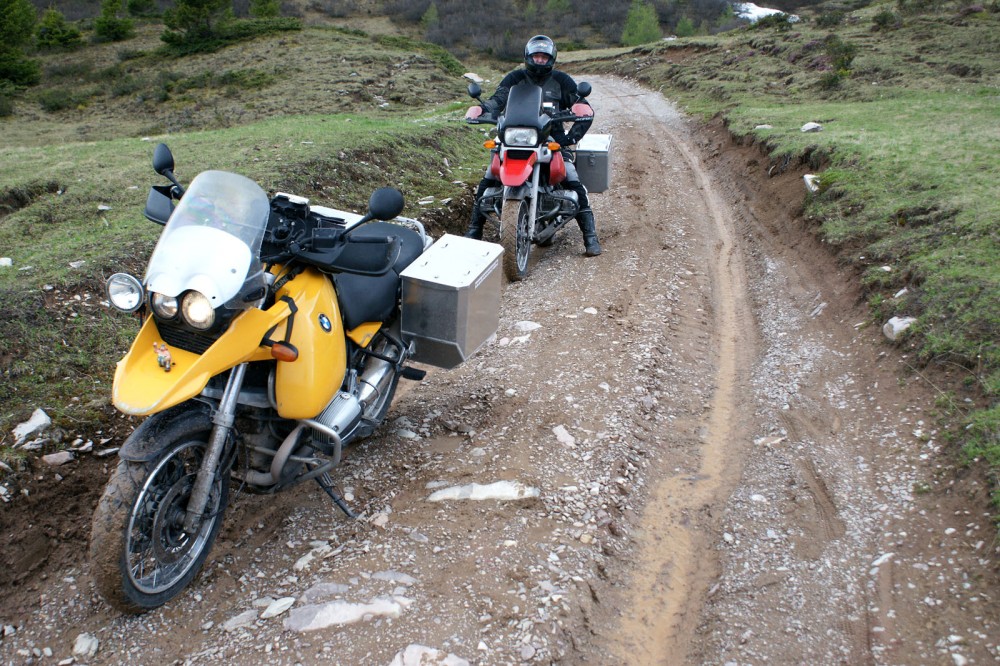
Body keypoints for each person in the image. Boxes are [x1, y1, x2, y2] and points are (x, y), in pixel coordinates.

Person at [464, 35, 602, 257]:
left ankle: (590, 236)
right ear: (528, 57)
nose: (539, 60)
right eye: (536, 56)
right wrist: (483, 109)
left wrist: (569, 139)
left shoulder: (561, 81)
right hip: (516, 138)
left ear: (551, 58)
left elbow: (580, 104)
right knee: (490, 175)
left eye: (544, 57)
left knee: (572, 178)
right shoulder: (515, 78)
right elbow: (497, 99)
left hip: (551, 139)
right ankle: (474, 231)